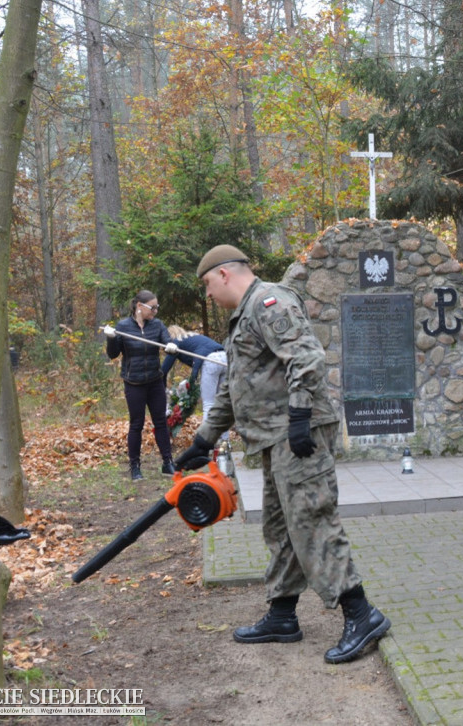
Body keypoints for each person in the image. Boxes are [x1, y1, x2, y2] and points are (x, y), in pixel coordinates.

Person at [174, 245, 390, 664]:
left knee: (311, 521)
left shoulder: (270, 302)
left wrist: (299, 416)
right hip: (272, 439)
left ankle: (362, 615)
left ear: (223, 274)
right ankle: (282, 615)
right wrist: (202, 441)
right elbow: (233, 390)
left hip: (296, 436)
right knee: (280, 527)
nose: (207, 296)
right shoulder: (241, 320)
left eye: (206, 286)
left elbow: (306, 358)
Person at [104, 290, 176, 481]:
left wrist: (170, 347)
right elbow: (113, 354)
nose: (155, 311)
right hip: (134, 383)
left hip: (155, 381)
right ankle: (135, 467)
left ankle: (168, 463)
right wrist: (111, 338)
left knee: (161, 422)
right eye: (152, 307)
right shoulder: (123, 327)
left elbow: (166, 342)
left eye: (157, 307)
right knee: (137, 424)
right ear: (139, 307)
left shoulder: (157, 325)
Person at [162, 325, 228, 421]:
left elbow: (163, 370)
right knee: (221, 403)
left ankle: (207, 436)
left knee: (208, 403)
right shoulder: (192, 338)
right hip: (225, 357)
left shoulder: (175, 342)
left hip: (211, 360)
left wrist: (163, 389)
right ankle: (224, 436)